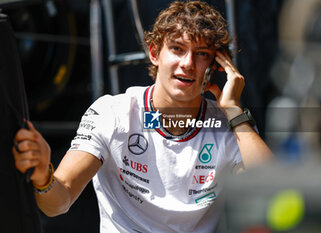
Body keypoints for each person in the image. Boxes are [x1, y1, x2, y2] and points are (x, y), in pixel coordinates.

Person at [13, 1, 272, 232]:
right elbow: (59, 201)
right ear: (154, 53)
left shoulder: (230, 124)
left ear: (216, 65)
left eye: (202, 53)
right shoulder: (111, 113)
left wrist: (234, 111)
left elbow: (272, 189)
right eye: (178, 48)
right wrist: (44, 177)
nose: (188, 63)